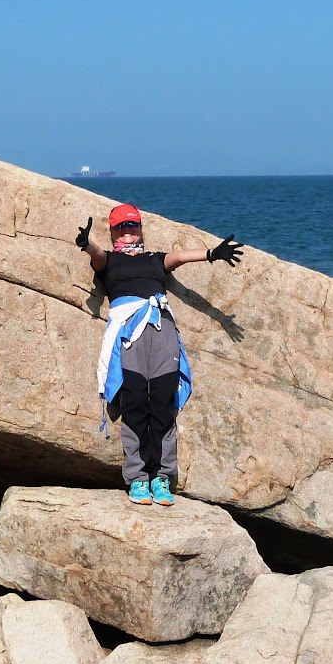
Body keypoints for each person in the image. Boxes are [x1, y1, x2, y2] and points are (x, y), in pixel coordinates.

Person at [76, 203, 243, 506]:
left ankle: (163, 477)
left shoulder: (154, 259)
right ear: (112, 232)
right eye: (120, 227)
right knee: (135, 402)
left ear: (140, 228)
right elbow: (97, 257)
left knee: (164, 403)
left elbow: (179, 257)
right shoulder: (110, 260)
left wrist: (211, 253)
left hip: (161, 329)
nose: (127, 231)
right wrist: (87, 244)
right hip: (129, 332)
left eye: (132, 225)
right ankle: (138, 478)